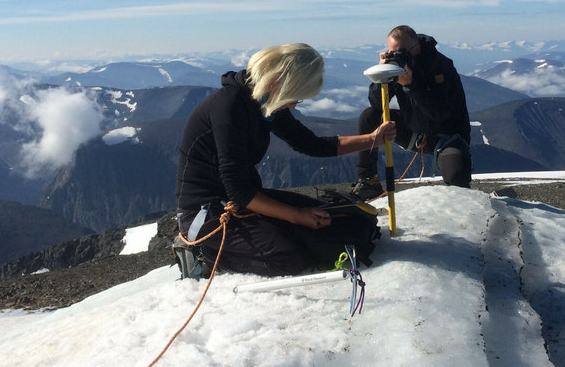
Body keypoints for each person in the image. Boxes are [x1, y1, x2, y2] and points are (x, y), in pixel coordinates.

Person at [175, 43, 396, 277]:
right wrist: (296, 216)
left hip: (239, 199)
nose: (293, 105)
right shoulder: (229, 107)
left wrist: (373, 139)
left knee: (334, 219)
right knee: (290, 257)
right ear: (279, 83)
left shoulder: (264, 101)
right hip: (204, 212)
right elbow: (238, 189)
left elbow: (311, 144)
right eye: (296, 97)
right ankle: (202, 254)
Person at [352, 25, 472, 198]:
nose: (396, 57)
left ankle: (463, 204)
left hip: (448, 135)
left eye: (400, 52)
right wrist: (382, 76)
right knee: (369, 117)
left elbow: (440, 115)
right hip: (415, 128)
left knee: (457, 176)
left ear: (416, 48)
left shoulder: (440, 66)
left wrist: (411, 86)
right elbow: (377, 103)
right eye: (391, 52)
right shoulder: (398, 66)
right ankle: (368, 181)